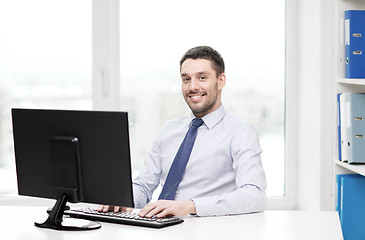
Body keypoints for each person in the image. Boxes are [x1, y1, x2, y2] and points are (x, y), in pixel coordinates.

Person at [98, 46, 267, 217]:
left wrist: (190, 206)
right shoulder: (169, 130)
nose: (193, 87)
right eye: (186, 79)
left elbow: (254, 195)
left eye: (202, 77)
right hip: (159, 228)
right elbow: (144, 185)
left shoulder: (240, 131)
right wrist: (122, 199)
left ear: (220, 81)